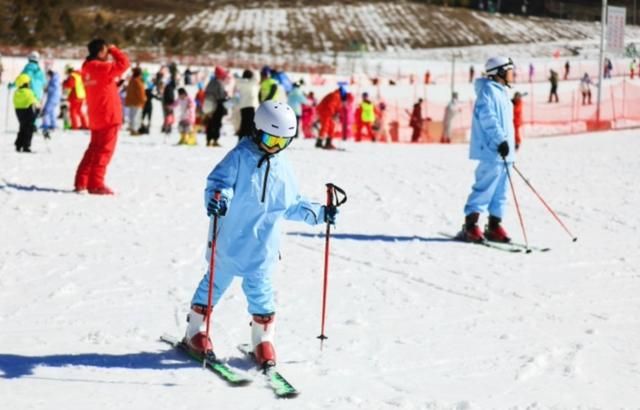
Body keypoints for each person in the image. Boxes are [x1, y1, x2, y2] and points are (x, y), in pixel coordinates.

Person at [183, 101, 338, 369]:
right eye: (270, 138)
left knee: (261, 293)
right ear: (256, 131)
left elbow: (291, 203)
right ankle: (195, 331)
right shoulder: (239, 157)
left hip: (262, 246)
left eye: (283, 141)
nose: (274, 146)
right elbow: (219, 184)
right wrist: (219, 199)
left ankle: (263, 340)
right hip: (229, 241)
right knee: (214, 284)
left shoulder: (282, 166)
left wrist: (320, 213)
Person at [459, 56, 516, 243]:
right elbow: (488, 117)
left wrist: (509, 145)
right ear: (499, 71)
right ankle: (470, 225)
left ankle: (493, 225)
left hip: (505, 152)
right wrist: (500, 139)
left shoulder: (503, 93)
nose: (512, 74)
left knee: (501, 191)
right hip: (492, 149)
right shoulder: (487, 91)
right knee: (485, 187)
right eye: (509, 70)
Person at [74, 39, 130, 195]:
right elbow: (124, 64)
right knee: (104, 152)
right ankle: (96, 184)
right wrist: (114, 49)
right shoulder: (99, 67)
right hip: (109, 116)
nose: (108, 54)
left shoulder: (87, 68)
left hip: (97, 116)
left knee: (93, 150)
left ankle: (82, 181)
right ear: (100, 52)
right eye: (106, 51)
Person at [13, 74, 40, 153]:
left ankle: (18, 144)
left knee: (22, 127)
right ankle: (26, 146)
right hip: (29, 111)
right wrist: (38, 110)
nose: (29, 84)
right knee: (29, 129)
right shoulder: (29, 92)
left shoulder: (16, 93)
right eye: (28, 82)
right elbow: (35, 101)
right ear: (25, 83)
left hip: (19, 112)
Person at [203, 66, 229, 146]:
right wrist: (226, 96)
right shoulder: (219, 82)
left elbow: (206, 92)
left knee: (210, 123)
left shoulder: (211, 82)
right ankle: (215, 140)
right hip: (218, 106)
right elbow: (221, 96)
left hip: (209, 105)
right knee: (217, 123)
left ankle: (208, 140)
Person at [233, 69, 258, 139]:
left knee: (244, 123)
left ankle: (241, 138)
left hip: (243, 106)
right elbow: (256, 79)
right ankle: (249, 138)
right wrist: (254, 71)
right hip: (250, 105)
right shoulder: (251, 83)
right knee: (250, 124)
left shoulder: (240, 82)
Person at [62, 65, 89, 130]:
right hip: (81, 95)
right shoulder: (78, 75)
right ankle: (85, 125)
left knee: (73, 111)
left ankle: (75, 126)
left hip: (75, 96)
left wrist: (64, 83)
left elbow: (70, 85)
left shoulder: (72, 76)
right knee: (79, 111)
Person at [125, 67, 147, 136]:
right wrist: (143, 99)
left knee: (132, 115)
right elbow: (141, 92)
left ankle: (132, 129)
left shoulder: (131, 81)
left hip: (131, 100)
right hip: (137, 101)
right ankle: (134, 130)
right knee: (136, 116)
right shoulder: (138, 81)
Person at [41, 70, 61, 139]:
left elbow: (54, 88)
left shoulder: (55, 79)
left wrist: (47, 89)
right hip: (53, 98)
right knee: (51, 112)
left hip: (53, 98)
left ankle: (46, 125)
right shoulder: (54, 79)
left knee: (46, 111)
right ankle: (53, 124)